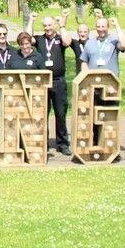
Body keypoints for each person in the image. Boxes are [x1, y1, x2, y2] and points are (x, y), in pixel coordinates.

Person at [28, 9, 76, 156]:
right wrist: (31, 20)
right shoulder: (40, 40)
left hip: (58, 81)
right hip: (42, 82)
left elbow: (68, 42)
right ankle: (43, 142)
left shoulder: (60, 39)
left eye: (50, 25)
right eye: (45, 26)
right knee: (42, 113)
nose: (48, 28)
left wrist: (62, 26)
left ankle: (62, 143)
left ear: (54, 25)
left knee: (60, 113)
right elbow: (27, 39)